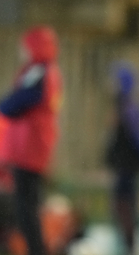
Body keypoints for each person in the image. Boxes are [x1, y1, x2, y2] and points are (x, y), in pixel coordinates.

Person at [0, 26, 62, 255]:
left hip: (28, 150)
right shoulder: (47, 71)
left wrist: (3, 107)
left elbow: (17, 102)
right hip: (34, 148)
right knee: (28, 206)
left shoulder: (39, 70)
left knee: (25, 207)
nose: (22, 51)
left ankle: (36, 250)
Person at [105, 62, 139, 255]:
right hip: (124, 165)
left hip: (127, 166)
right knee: (122, 206)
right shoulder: (123, 105)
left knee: (124, 206)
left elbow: (135, 137)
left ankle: (130, 248)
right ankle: (129, 246)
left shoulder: (128, 106)